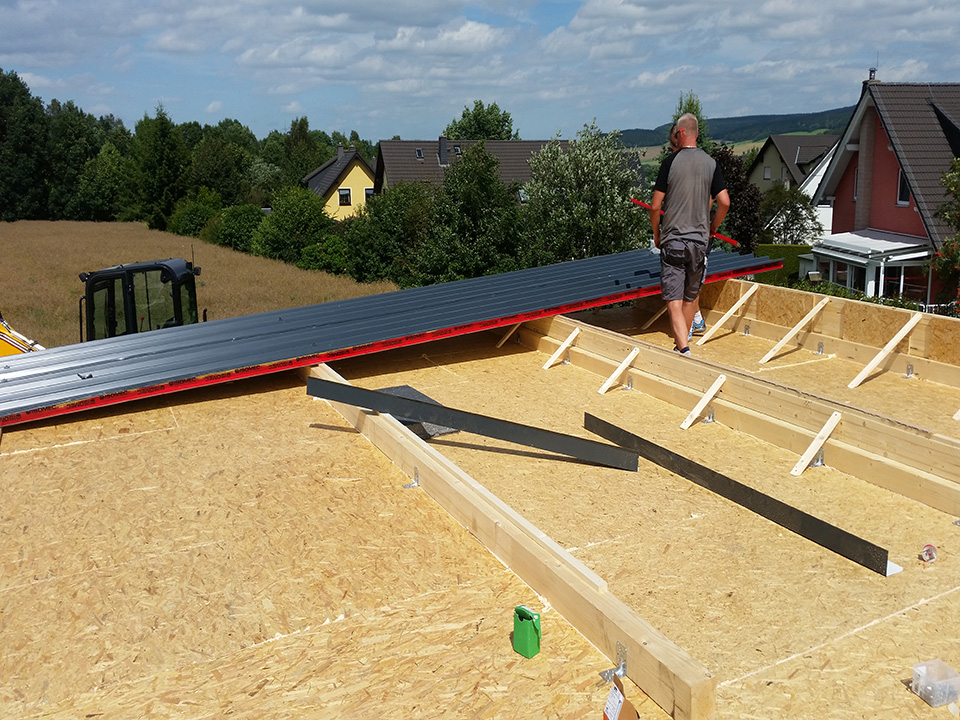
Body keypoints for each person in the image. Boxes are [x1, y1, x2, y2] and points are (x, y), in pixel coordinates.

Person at [650, 113, 730, 356]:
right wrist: (712, 227)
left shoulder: (670, 163)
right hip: (699, 242)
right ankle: (681, 346)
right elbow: (724, 202)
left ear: (682, 133)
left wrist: (657, 234)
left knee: (673, 299)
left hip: (674, 239)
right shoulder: (711, 164)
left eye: (676, 133)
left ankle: (683, 348)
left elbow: (655, 206)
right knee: (688, 298)